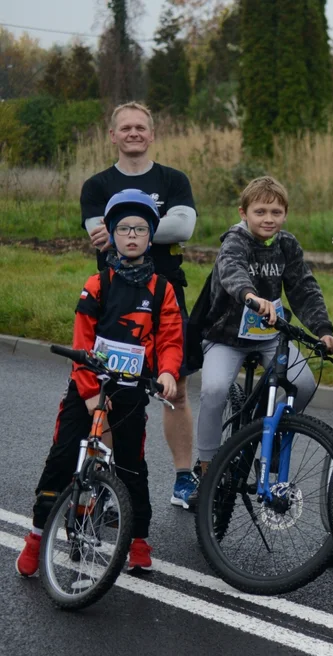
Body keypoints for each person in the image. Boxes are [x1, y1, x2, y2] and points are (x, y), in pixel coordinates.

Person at [17, 190, 182, 576]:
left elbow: (171, 338)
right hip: (88, 387)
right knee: (60, 459)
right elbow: (82, 340)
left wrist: (168, 372)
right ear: (111, 233)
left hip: (130, 389)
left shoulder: (162, 289)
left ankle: (138, 540)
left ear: (150, 236)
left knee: (131, 467)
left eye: (140, 229)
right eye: (123, 228)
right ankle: (37, 537)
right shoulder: (97, 284)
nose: (131, 235)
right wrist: (91, 393)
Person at [79, 101, 200, 510]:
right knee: (107, 393)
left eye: (141, 127)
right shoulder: (96, 185)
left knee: (175, 391)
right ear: (112, 135)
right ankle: (106, 484)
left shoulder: (173, 179)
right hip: (111, 301)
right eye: (125, 128)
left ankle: (185, 478)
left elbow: (185, 226)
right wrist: (148, 227)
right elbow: (97, 233)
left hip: (165, 294)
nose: (133, 133)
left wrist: (123, 229)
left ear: (152, 134)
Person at [193, 177, 333, 482]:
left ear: (285, 214)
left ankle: (268, 430)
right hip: (226, 337)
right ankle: (208, 467)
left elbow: (304, 289)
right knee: (214, 390)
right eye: (260, 212)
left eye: (276, 212)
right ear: (243, 212)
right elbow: (232, 270)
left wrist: (323, 329)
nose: (268, 219)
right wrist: (250, 296)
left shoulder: (287, 244)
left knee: (305, 384)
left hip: (270, 337)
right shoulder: (235, 240)